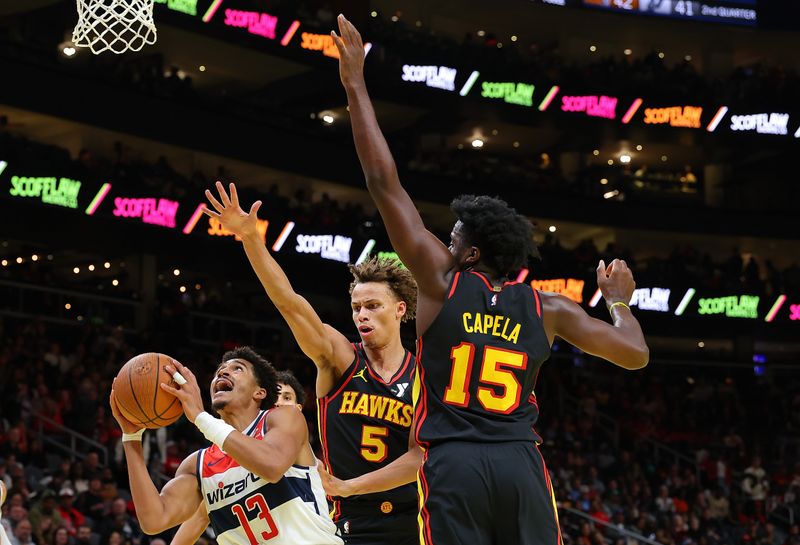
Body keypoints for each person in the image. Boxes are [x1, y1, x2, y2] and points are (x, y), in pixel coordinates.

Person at [330, 14, 649, 545]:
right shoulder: (550, 308)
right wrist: (618, 301)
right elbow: (635, 355)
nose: (444, 244)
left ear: (470, 252)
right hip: (521, 463)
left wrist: (356, 84)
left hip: (454, 464)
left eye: (452, 238)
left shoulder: (441, 281)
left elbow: (383, 183)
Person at [200, 182, 419, 545]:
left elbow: (419, 459)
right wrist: (250, 237)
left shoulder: (422, 373)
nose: (362, 315)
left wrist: (349, 486)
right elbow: (288, 302)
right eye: (356, 308)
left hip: (413, 518)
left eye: (373, 306)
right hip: (347, 524)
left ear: (399, 310)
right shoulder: (340, 358)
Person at [109, 346, 342, 545]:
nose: (224, 371)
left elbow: (272, 466)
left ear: (259, 392)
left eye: (237, 368)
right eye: (220, 371)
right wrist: (131, 438)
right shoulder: (198, 465)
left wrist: (200, 417)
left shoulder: (282, 418)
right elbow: (154, 521)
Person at [168, 370, 311, 545]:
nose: (279, 403)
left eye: (287, 398)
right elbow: (198, 517)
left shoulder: (308, 464)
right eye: (276, 397)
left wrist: (346, 487)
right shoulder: (229, 462)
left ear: (298, 409)